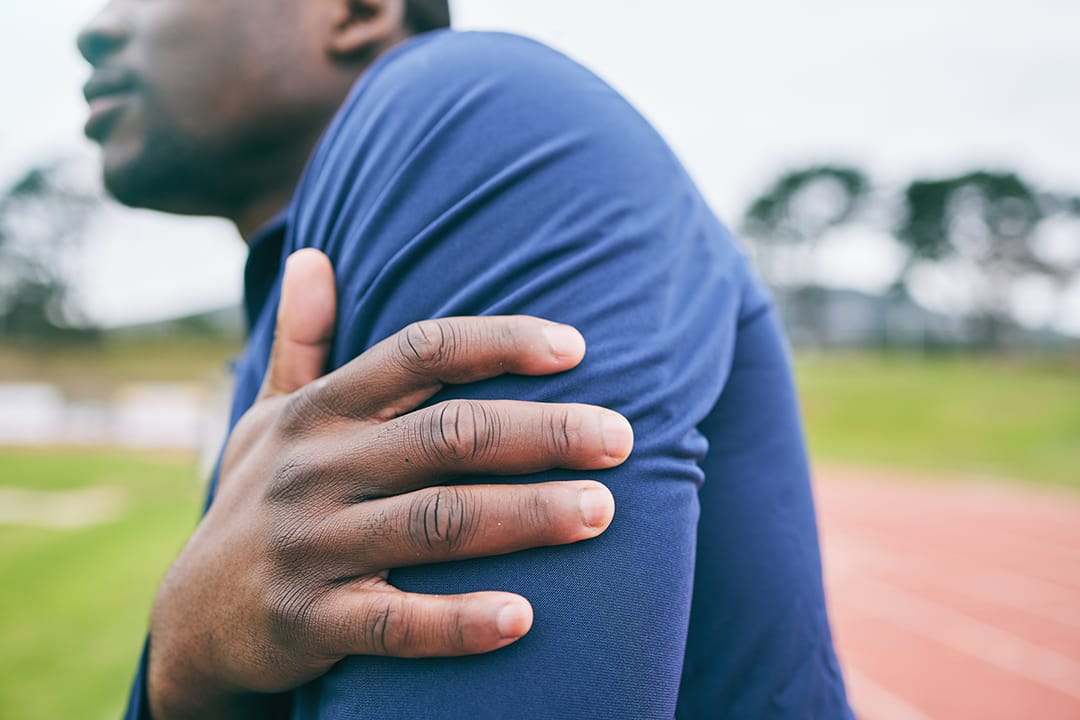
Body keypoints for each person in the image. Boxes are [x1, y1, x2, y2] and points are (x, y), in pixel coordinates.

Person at [78, 1, 853, 718]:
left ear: (357, 9)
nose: (96, 27)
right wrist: (185, 664)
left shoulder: (470, 112)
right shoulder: (283, 318)